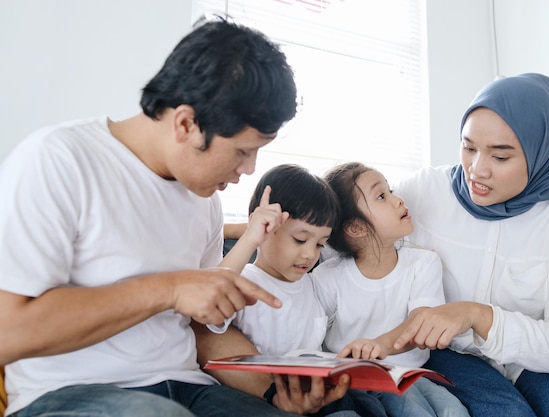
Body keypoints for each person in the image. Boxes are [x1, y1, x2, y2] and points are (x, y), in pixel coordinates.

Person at [0, 19, 355, 417]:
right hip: (66, 394)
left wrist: (274, 394)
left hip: (187, 385)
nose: (249, 170)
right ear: (186, 123)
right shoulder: (58, 160)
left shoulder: (204, 199)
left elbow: (201, 330)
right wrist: (167, 289)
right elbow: (7, 331)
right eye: (241, 151)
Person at [391, 73, 549, 416]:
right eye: (468, 147)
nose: (476, 169)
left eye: (500, 157)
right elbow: (342, 229)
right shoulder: (423, 190)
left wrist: (478, 316)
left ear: (543, 152)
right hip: (445, 354)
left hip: (532, 360)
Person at [209, 163, 392, 417]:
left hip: (313, 398)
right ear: (262, 228)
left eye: (320, 244)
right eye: (299, 240)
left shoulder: (313, 283)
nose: (309, 254)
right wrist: (250, 237)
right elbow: (209, 306)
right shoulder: (242, 281)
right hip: (259, 401)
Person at [311, 162, 469, 417]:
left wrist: (380, 346)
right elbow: (309, 337)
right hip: (351, 381)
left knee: (453, 410)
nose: (398, 200)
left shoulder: (423, 263)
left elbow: (422, 323)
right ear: (356, 228)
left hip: (409, 376)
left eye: (391, 190)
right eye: (382, 196)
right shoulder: (327, 277)